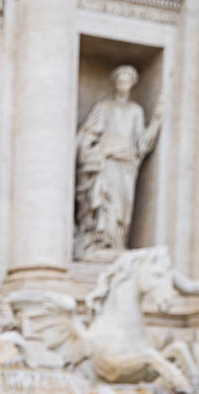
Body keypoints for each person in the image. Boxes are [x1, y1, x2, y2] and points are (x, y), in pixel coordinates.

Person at [74, 65, 163, 260]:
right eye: (121, 80)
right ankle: (99, 242)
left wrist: (156, 120)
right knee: (105, 204)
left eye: (127, 81)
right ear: (115, 83)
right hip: (107, 164)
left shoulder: (136, 111)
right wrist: (93, 152)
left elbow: (141, 143)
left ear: (132, 84)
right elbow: (87, 135)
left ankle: (116, 244)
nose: (124, 84)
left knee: (122, 209)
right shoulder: (104, 107)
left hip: (127, 165)